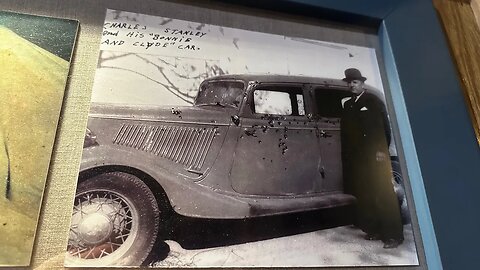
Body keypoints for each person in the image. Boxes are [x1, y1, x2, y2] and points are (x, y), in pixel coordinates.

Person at [340, 68, 404, 249]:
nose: (351, 85)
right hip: (358, 158)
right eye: (349, 82)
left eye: (354, 82)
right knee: (366, 194)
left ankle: (393, 235)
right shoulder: (349, 104)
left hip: (375, 155)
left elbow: (382, 127)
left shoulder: (372, 101)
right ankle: (375, 229)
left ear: (362, 83)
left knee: (383, 193)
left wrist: (381, 151)